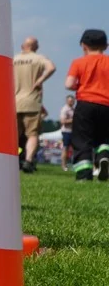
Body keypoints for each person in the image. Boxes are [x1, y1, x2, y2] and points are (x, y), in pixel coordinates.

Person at [64, 29, 109, 182]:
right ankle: (104, 156)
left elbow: (69, 84)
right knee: (103, 137)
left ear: (83, 46)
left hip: (85, 104)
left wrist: (82, 86)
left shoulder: (78, 62)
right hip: (106, 105)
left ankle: (84, 175)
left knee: (82, 139)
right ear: (106, 46)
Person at [13, 36, 56, 173]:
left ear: (22, 46)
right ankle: (29, 161)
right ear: (36, 47)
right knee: (32, 134)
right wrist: (40, 80)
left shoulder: (14, 59)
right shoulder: (39, 58)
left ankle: (12, 159)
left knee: (14, 135)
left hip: (14, 101)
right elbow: (51, 67)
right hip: (31, 101)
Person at [59, 95, 76, 172]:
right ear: (67, 101)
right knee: (65, 148)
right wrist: (74, 120)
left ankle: (74, 164)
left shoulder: (74, 109)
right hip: (66, 131)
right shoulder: (65, 109)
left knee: (75, 149)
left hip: (73, 131)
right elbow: (62, 121)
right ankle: (64, 165)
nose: (72, 102)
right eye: (70, 101)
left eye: (72, 101)